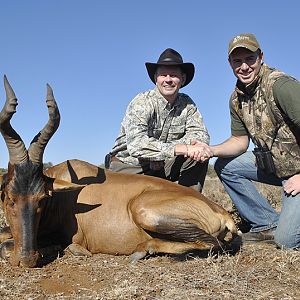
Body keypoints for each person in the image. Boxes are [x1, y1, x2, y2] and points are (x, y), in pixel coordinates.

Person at [194, 33, 300, 249]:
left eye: (249, 59)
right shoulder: (236, 98)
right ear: (230, 63)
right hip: (277, 167)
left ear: (261, 57)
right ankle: (267, 223)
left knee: (287, 242)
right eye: (237, 61)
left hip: (298, 172)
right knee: (224, 165)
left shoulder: (281, 86)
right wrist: (210, 150)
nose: (244, 66)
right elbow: (239, 142)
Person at [106, 48, 210, 192]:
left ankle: (188, 204)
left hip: (163, 164)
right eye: (163, 75)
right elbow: (137, 144)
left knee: (199, 154)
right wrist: (180, 149)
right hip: (130, 165)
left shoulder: (188, 104)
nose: (168, 79)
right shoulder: (142, 101)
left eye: (173, 75)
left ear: (183, 79)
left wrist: (163, 154)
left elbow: (200, 136)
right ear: (156, 78)